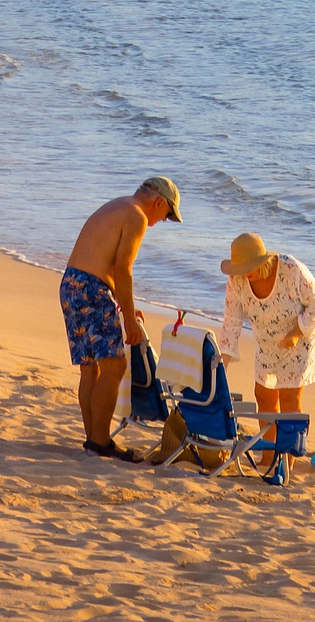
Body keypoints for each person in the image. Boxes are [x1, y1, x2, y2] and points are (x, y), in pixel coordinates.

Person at [60, 175, 182, 461]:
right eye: (167, 214)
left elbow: (107, 264)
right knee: (115, 366)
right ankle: (100, 441)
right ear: (159, 202)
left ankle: (93, 439)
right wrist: (128, 317)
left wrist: (124, 303)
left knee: (90, 369)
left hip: (71, 285)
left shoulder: (119, 205)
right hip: (91, 289)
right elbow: (122, 268)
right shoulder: (137, 216)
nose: (163, 220)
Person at [217, 232, 315, 480]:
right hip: (267, 343)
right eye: (241, 268)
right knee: (263, 395)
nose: (246, 273)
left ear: (263, 260)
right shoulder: (237, 279)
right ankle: (268, 456)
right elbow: (232, 321)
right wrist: (222, 364)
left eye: (250, 267)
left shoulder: (290, 269)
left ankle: (286, 461)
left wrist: (298, 332)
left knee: (289, 399)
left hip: (298, 341)